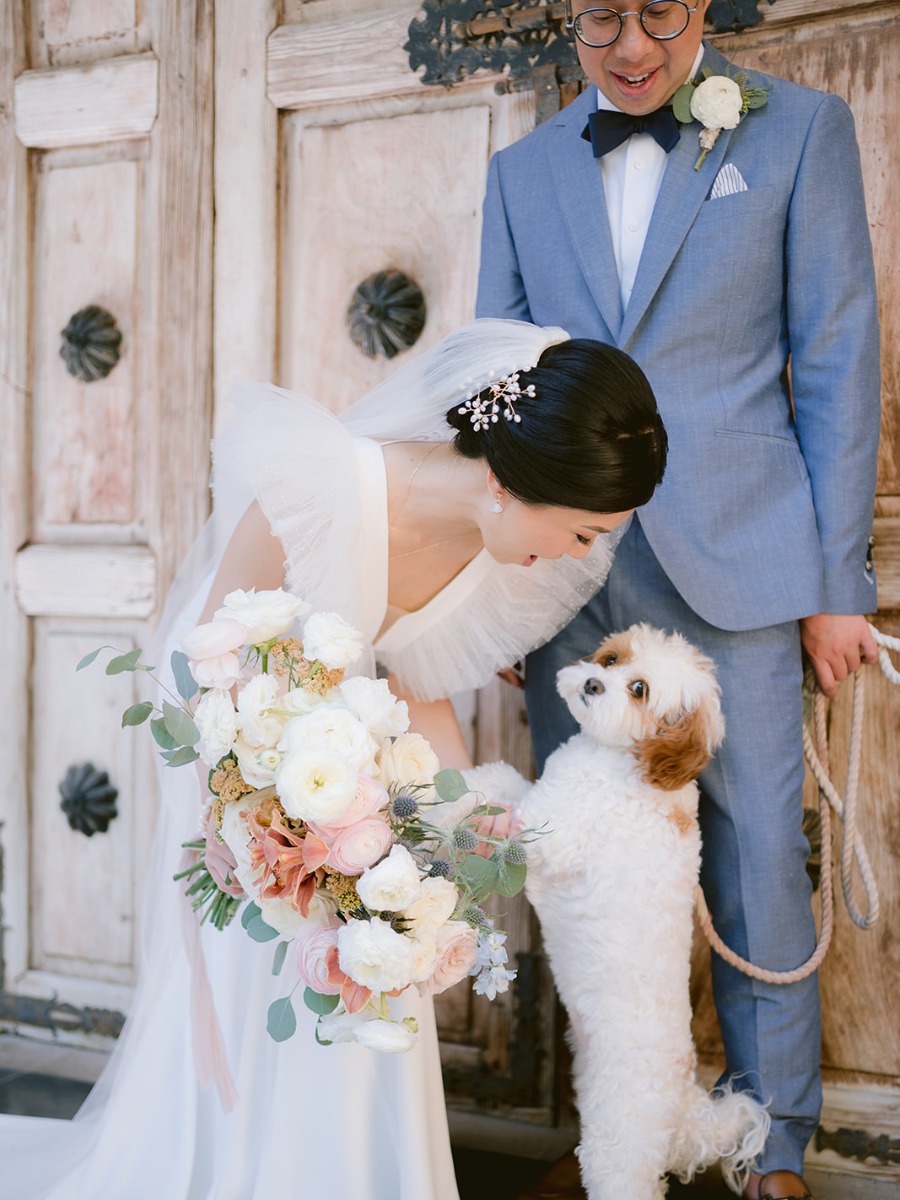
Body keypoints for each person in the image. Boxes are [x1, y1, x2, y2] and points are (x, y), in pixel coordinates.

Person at [0, 319, 667, 1200]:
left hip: (349, 767)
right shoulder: (319, 482)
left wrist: (455, 838)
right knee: (285, 942)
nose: (587, 555)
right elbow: (213, 660)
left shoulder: (496, 546)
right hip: (238, 747)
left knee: (390, 923)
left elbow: (422, 683)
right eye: (585, 531)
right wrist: (256, 828)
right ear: (512, 483)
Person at [475, 4, 881, 1199]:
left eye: (659, 9)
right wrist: (501, 586)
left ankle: (773, 1142)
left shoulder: (800, 131)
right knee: (588, 870)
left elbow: (841, 350)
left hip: (746, 560)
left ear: (703, 8)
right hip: (569, 568)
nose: (633, 44)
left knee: (759, 848)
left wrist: (834, 584)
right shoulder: (520, 170)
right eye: (602, 14)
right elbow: (494, 379)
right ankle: (621, 1143)